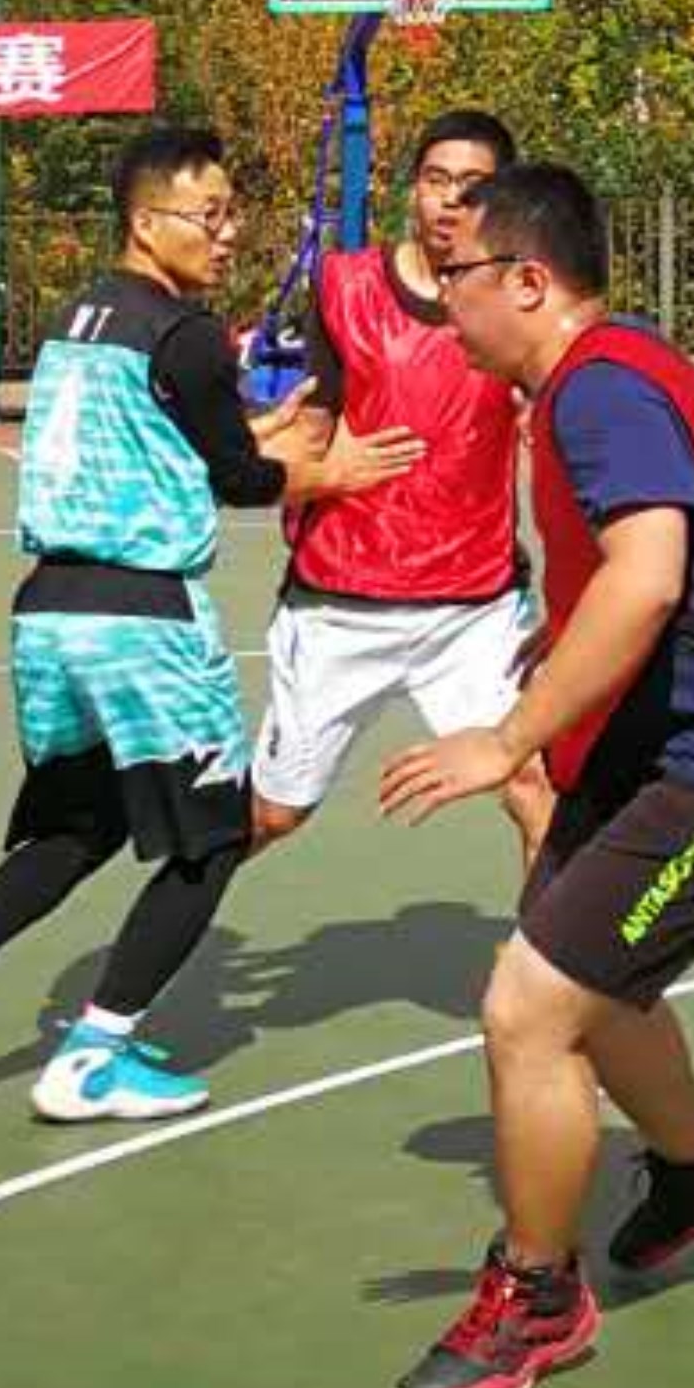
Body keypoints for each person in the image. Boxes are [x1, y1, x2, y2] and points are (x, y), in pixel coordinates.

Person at [374, 162, 694, 1388]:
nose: (440, 296)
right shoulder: (606, 373)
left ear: (529, 280)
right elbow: (640, 575)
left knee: (529, 1008)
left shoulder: (599, 389)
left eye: (457, 274)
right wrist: (565, 659)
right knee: (581, 971)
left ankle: (539, 1297)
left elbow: (648, 576)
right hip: (663, 740)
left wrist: (507, 736)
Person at [0, 126, 399, 1130]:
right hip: (143, 617)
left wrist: (258, 433)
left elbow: (168, 439)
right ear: (147, 223)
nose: (227, 233)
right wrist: (329, 471)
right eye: (209, 215)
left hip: (48, 614)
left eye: (232, 213)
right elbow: (238, 478)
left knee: (84, 821)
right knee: (215, 838)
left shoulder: (81, 318)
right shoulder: (187, 333)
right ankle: (93, 1058)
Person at [251, 110, 554, 871]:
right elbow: (306, 437)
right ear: (412, 189)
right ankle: (160, 927)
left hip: (474, 607)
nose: (449, 200)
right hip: (343, 603)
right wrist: (319, 470)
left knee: (536, 790)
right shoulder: (344, 288)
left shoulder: (524, 301)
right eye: (435, 180)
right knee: (273, 814)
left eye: (472, 185)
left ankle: (553, 953)